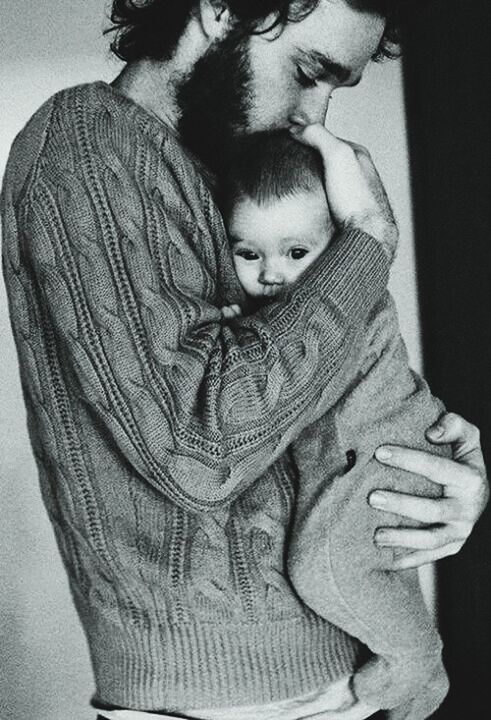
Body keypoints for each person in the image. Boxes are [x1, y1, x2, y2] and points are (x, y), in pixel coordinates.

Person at [0, 2, 488, 720]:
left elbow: (318, 406)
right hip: (225, 704)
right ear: (221, 9)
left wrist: (429, 462)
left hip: (344, 672)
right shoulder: (85, 146)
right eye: (308, 71)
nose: (312, 115)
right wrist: (368, 239)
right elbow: (203, 448)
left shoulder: (234, 179)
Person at [218, 128, 449, 720]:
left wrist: (236, 341)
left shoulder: (352, 307)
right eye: (249, 254)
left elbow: (290, 390)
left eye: (297, 253)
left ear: (339, 248)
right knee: (357, 573)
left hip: (388, 456)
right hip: (353, 462)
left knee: (323, 569)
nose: (273, 274)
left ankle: (417, 668)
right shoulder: (284, 309)